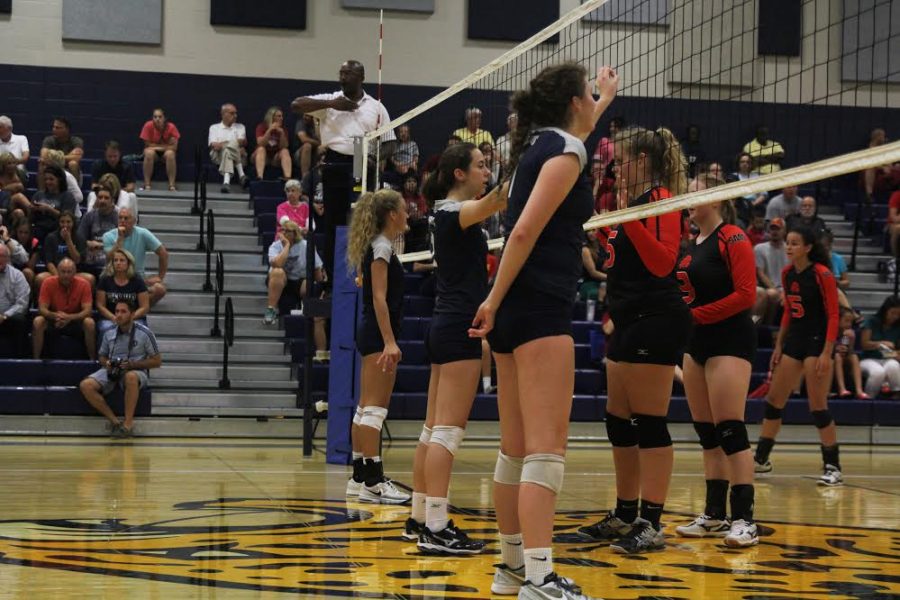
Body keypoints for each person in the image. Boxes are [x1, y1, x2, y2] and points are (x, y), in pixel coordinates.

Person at [467, 62, 618, 598]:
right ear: (574, 103)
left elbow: (575, 135)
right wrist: (493, 297)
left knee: (515, 450)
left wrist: (602, 98)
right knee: (546, 454)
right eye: (588, 97)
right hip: (536, 307)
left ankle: (511, 570)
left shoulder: (543, 145)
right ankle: (540, 576)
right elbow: (524, 231)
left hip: (517, 313)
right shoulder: (568, 153)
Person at [577, 122, 692, 557]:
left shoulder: (662, 200)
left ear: (642, 162)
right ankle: (625, 513)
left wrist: (627, 220)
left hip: (656, 319)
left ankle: (651, 521)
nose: (614, 169)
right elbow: (621, 261)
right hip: (628, 319)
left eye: (620, 161)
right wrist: (608, 233)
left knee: (648, 421)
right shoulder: (637, 204)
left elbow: (663, 263)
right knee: (618, 422)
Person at [407, 142, 506, 555]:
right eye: (481, 166)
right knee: (447, 432)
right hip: (458, 326)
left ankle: (418, 519)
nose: (486, 171)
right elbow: (497, 199)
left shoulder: (448, 214)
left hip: (444, 324)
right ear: (459, 174)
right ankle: (436, 526)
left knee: (433, 431)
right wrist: (532, 156)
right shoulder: (451, 212)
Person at [673, 180, 759, 547]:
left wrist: (697, 316)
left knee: (730, 431)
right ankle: (714, 515)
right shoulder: (691, 247)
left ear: (717, 198)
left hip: (729, 339)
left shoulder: (733, 237)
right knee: (708, 435)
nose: (689, 201)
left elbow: (746, 295)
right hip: (697, 344)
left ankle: (745, 519)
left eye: (696, 194)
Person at [753, 226, 842, 486]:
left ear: (808, 247)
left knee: (817, 406)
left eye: (794, 243)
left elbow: (834, 315)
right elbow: (789, 313)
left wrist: (827, 352)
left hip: (818, 342)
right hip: (795, 340)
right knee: (774, 401)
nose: (789, 247)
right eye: (788, 243)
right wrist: (779, 347)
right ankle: (761, 459)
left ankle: (833, 466)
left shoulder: (822, 274)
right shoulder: (787, 273)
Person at [290, 60, 396, 278]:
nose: (343, 77)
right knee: (333, 223)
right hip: (334, 163)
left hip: (361, 162)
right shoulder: (330, 100)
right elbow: (296, 104)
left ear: (361, 77)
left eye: (348, 73)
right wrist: (332, 105)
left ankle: (362, 272)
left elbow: (390, 143)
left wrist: (375, 158)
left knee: (361, 220)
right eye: (341, 73)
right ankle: (333, 279)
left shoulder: (376, 106)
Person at [344, 189, 410, 505]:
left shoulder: (377, 246)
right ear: (392, 214)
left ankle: (359, 477)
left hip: (370, 332)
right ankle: (374, 481)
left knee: (364, 408)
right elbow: (378, 298)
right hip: (377, 334)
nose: (408, 214)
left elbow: (370, 287)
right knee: (374, 409)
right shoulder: (382, 247)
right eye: (404, 209)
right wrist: (390, 341)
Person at [80, 300, 161, 438]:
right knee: (86, 385)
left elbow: (157, 361)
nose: (119, 315)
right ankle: (115, 422)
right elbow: (102, 356)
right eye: (117, 311)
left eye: (123, 311)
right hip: (113, 369)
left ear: (132, 314)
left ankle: (128, 424)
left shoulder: (144, 333)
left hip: (135, 370)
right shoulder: (108, 332)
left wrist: (132, 365)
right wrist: (108, 364)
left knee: (131, 377)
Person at [264, 221, 328, 360]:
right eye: (283, 230)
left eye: (288, 231)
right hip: (280, 281)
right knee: (277, 272)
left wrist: (322, 287)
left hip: (298, 280)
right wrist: (286, 245)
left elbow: (317, 270)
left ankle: (307, 307)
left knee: (310, 284)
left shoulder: (305, 246)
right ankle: (271, 309)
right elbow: (277, 264)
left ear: (295, 234)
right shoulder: (275, 246)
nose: (284, 233)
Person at [32, 258, 96, 360]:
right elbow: (42, 309)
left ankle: (92, 360)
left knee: (89, 322)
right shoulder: (48, 282)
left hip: (75, 321)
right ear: (57, 272)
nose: (66, 275)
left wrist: (69, 318)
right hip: (54, 320)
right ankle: (35, 360)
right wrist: (56, 316)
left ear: (75, 272)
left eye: (69, 272)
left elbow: (87, 311)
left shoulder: (84, 284)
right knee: (38, 321)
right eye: (63, 272)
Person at [102, 208, 168, 305]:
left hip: (137, 278)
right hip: (114, 278)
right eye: (120, 218)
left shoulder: (143, 233)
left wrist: (160, 276)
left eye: (126, 218)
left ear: (134, 221)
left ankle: (135, 309)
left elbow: (163, 253)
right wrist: (120, 238)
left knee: (160, 289)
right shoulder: (108, 236)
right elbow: (110, 259)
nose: (122, 221)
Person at [35, 211, 94, 294]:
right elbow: (49, 262)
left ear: (73, 223)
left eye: (68, 222)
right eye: (62, 222)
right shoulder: (51, 237)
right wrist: (59, 277)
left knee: (90, 279)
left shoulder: (79, 237)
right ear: (58, 223)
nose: (65, 225)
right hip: (56, 272)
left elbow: (77, 260)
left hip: (74, 273)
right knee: (39, 278)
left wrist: (68, 240)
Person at [96, 249, 150, 336]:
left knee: (140, 331)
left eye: (122, 260)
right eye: (115, 260)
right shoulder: (105, 279)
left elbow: (145, 307)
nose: (118, 263)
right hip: (110, 318)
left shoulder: (137, 280)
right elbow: (100, 305)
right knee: (105, 329)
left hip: (134, 318)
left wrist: (128, 318)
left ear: (128, 263)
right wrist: (114, 318)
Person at [858, 296, 900, 399]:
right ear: (885, 310)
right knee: (878, 372)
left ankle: (896, 394)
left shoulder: (898, 326)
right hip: (868, 358)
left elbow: (896, 350)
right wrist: (880, 344)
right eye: (893, 313)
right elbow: (864, 344)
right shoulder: (871, 321)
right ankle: (869, 397)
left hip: (888, 357)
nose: (895, 316)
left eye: (898, 314)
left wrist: (895, 354)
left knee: (893, 366)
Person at [79, 182, 121, 277]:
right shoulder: (89, 216)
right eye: (100, 197)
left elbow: (123, 241)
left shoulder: (119, 218)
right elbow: (79, 238)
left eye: (106, 198)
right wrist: (87, 243)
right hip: (91, 258)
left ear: (112, 201)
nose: (102, 200)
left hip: (112, 259)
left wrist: (101, 245)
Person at [753, 217, 789, 323]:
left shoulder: (790, 249)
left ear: (784, 231)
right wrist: (776, 289)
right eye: (772, 229)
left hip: (786, 287)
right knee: (772, 294)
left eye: (778, 229)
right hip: (767, 287)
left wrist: (786, 290)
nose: (775, 232)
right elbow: (760, 273)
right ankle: (765, 327)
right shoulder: (760, 248)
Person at [30, 165, 77, 241]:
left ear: (59, 179)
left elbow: (67, 218)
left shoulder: (67, 196)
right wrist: (33, 209)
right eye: (46, 179)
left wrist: (49, 209)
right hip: (39, 228)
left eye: (51, 179)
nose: (48, 182)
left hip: (57, 230)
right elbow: (31, 216)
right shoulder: (38, 194)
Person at [208, 103, 248, 192]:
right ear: (223, 114)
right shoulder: (214, 127)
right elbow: (215, 147)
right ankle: (242, 175)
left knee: (227, 151)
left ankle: (226, 182)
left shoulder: (240, 127)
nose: (235, 116)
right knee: (230, 147)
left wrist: (223, 144)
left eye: (236, 113)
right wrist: (231, 143)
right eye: (232, 113)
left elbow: (243, 142)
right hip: (218, 156)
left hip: (238, 155)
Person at [0, 243, 30, 358]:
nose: (0, 259)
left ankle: (20, 362)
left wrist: (4, 316)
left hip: (8, 319)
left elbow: (22, 304)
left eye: (2, 256)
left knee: (20, 320)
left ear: (8, 258)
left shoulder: (17, 276)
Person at [140, 108, 180, 191]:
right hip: (154, 153)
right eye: (155, 117)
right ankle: (147, 184)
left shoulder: (171, 127)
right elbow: (147, 145)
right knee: (148, 153)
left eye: (160, 117)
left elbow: (174, 147)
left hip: (166, 153)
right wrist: (166, 146)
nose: (157, 119)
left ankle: (171, 185)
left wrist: (155, 146)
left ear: (164, 118)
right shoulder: (148, 125)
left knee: (170, 154)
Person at [729, 151, 768, 227]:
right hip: (739, 206)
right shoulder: (733, 176)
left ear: (751, 164)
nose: (745, 164)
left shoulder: (756, 176)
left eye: (747, 162)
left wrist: (753, 204)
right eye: (742, 162)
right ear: (738, 163)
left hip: (754, 206)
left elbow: (764, 194)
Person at [834, 308, 866, 399]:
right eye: (846, 321)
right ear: (838, 320)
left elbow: (848, 350)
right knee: (837, 356)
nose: (849, 324)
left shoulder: (847, 333)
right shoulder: (832, 331)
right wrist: (836, 348)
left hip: (843, 356)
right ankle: (842, 389)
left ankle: (859, 390)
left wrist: (850, 341)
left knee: (854, 357)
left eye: (851, 322)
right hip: (832, 357)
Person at [253, 106, 292, 181]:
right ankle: (260, 177)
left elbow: (284, 146)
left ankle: (287, 178)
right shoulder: (261, 127)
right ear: (272, 117)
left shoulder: (283, 129)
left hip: (275, 158)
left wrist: (282, 134)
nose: (281, 118)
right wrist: (269, 130)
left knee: (285, 151)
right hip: (262, 157)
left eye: (282, 116)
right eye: (279, 116)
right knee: (261, 149)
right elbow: (260, 143)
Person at [40, 117, 84, 183]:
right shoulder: (48, 140)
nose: (54, 129)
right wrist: (67, 157)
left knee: (73, 163)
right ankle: (42, 192)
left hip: (68, 168)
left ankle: (74, 191)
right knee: (42, 164)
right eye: (53, 127)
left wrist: (54, 157)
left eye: (58, 128)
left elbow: (77, 157)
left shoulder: (76, 141)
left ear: (67, 129)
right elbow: (44, 156)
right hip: (52, 168)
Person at [591, 116, 624, 197]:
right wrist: (598, 173)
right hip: (606, 173)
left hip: (619, 172)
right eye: (611, 127)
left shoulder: (623, 143)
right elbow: (597, 158)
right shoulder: (604, 141)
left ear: (620, 128)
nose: (612, 129)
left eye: (615, 127)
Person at [0, 152, 30, 224]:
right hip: (2, 205)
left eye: (14, 163)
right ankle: (32, 210)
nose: (12, 165)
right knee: (18, 197)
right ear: (3, 165)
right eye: (9, 163)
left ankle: (30, 221)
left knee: (19, 213)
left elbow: (23, 189)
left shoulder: (20, 174)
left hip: (16, 207)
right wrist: (9, 188)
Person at [7, 218, 38, 285]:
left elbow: (30, 266)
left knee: (27, 272)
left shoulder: (34, 242)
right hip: (11, 270)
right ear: (16, 231)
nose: (23, 235)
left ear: (30, 233)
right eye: (20, 232)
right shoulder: (10, 241)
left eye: (26, 233)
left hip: (25, 271)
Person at [0, 116, 30, 180]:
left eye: (0, 127)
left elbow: (25, 157)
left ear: (10, 129)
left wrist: (11, 163)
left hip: (18, 172)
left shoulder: (22, 139)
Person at [294, 114, 322, 178]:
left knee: (323, 148)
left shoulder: (319, 124)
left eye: (307, 116)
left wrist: (316, 125)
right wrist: (319, 143)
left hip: (315, 153)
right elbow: (304, 139)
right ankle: (305, 178)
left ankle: (320, 177)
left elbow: (323, 140)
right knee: (307, 145)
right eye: (304, 115)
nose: (304, 117)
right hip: (300, 155)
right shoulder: (301, 123)